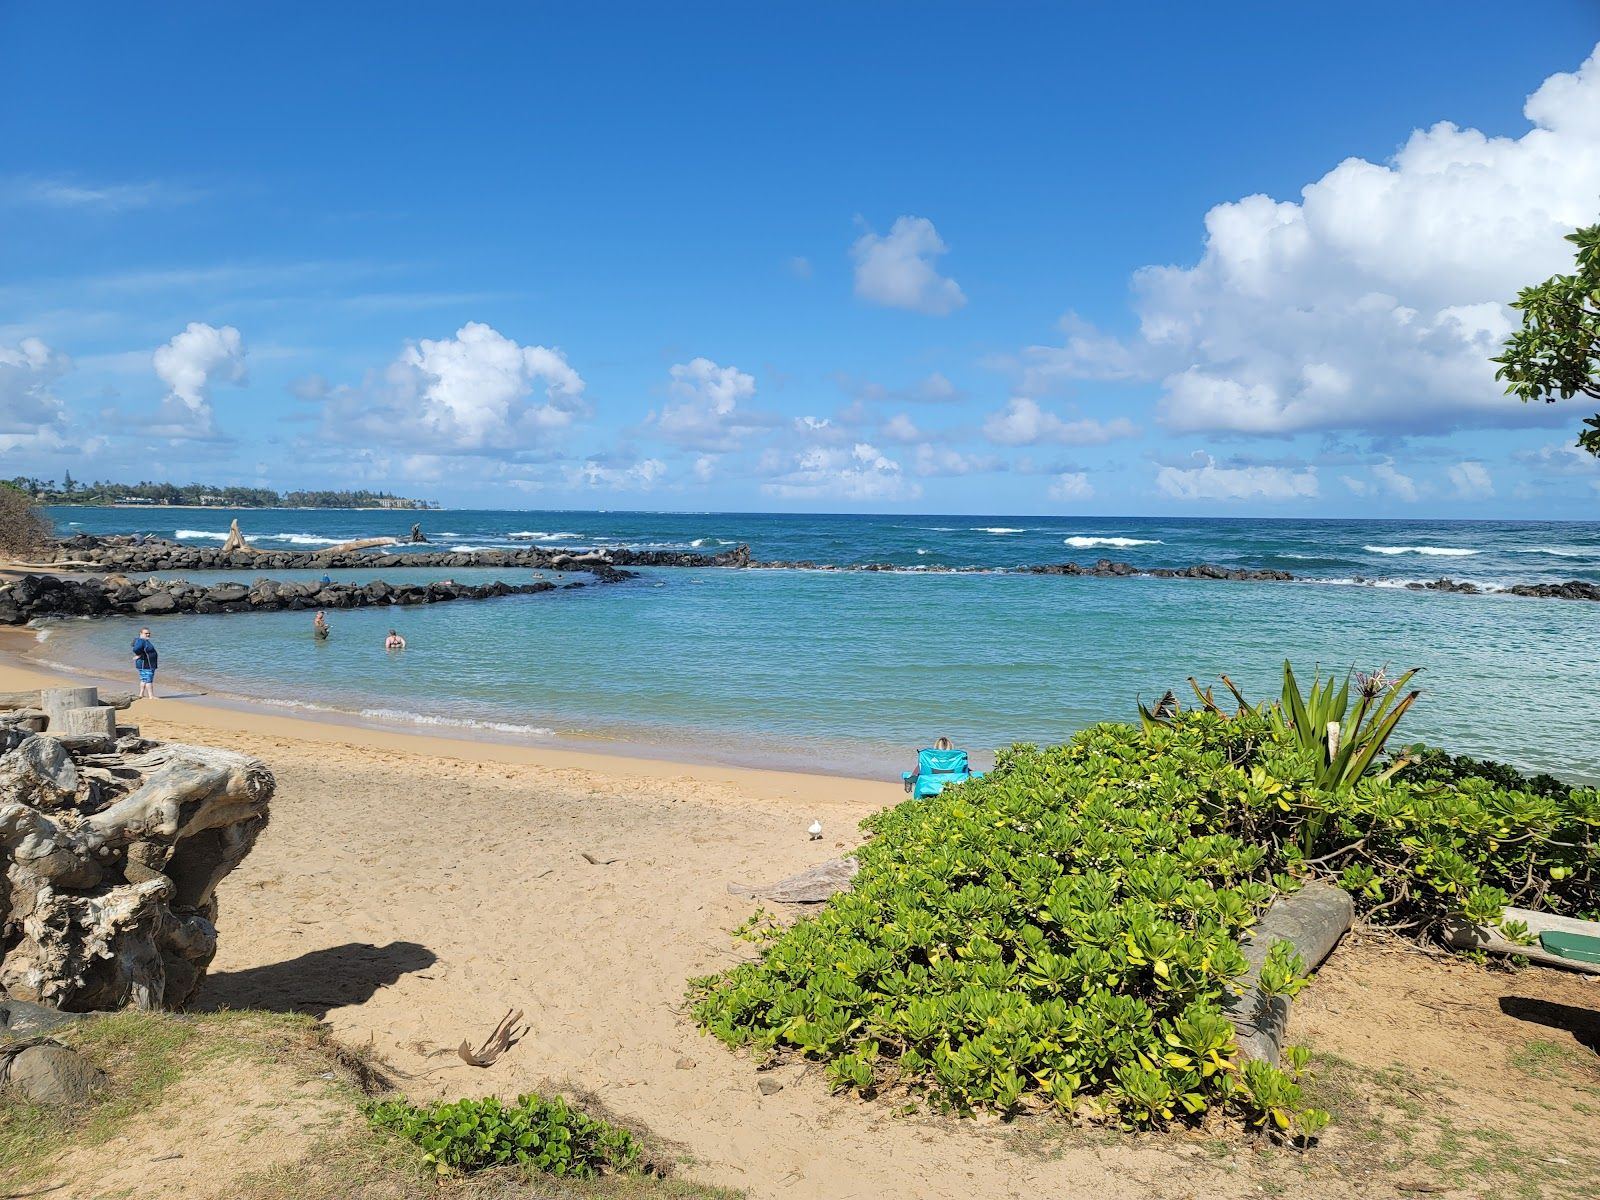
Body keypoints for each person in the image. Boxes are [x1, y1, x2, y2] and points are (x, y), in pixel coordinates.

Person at [132, 627, 158, 699]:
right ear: (141, 633)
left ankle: (141, 694)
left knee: (143, 679)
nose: (148, 634)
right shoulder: (142, 641)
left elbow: (134, 645)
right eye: (146, 633)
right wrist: (139, 655)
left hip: (143, 664)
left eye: (149, 633)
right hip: (146, 664)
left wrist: (139, 654)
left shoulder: (141, 640)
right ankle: (151, 696)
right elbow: (136, 649)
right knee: (148, 680)